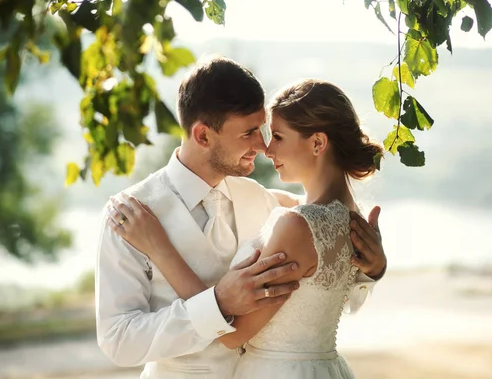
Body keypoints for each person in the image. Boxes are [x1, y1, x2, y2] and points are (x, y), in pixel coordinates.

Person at [97, 57, 386, 379]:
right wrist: (216, 305)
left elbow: (321, 243)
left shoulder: (260, 199)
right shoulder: (133, 216)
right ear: (203, 136)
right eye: (250, 133)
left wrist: (371, 268)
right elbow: (118, 340)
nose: (262, 146)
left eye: (268, 133)